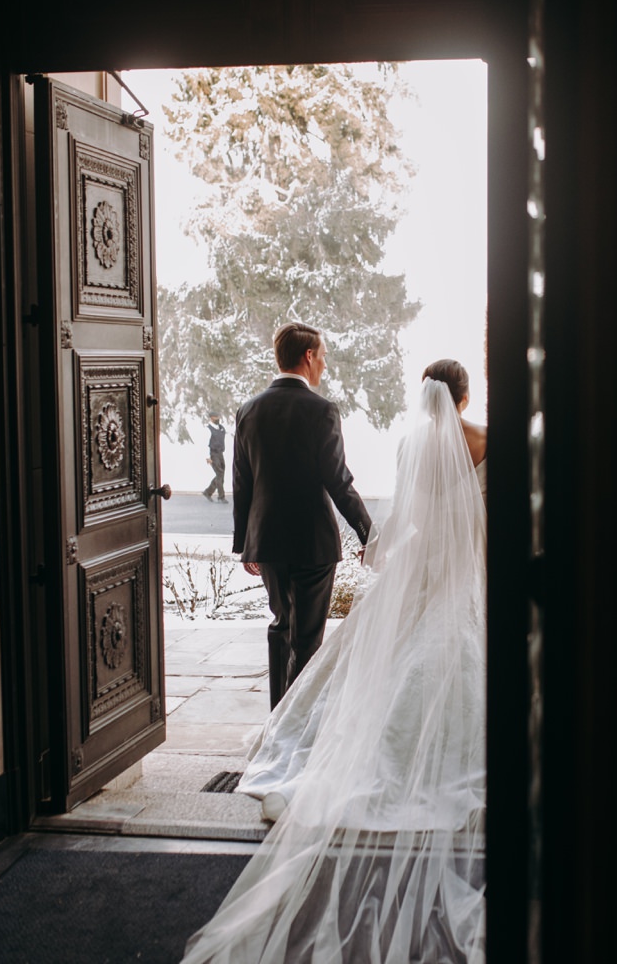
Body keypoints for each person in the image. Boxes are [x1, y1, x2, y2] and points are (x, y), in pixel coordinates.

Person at [181, 360, 488, 964]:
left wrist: (382, 544)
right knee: (458, 649)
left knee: (345, 648)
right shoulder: (485, 439)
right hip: (469, 564)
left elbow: (408, 509)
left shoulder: (410, 442)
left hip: (418, 562)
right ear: (466, 394)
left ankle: (309, 732)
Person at [232, 322, 372, 710]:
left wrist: (246, 543)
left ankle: (279, 715)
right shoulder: (322, 409)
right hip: (313, 542)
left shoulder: (248, 410)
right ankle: (296, 726)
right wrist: (368, 534)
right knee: (308, 638)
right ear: (308, 356)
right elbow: (338, 481)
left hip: (268, 542)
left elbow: (242, 482)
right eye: (323, 356)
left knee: (281, 627)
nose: (324, 365)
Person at [201, 412, 227, 502]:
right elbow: (205, 443)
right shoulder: (208, 429)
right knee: (219, 473)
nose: (218, 418)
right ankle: (221, 496)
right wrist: (207, 457)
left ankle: (208, 492)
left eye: (218, 416)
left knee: (221, 474)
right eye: (216, 417)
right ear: (211, 418)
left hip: (220, 453)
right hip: (213, 454)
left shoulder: (221, 428)